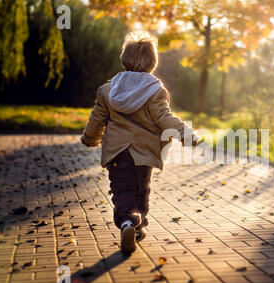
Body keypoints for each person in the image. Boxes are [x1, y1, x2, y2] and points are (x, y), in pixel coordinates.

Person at [80, 31, 199, 254]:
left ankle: (128, 223)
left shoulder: (108, 90)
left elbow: (98, 117)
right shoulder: (155, 91)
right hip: (144, 154)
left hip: (117, 153)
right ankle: (135, 223)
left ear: (124, 60)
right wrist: (186, 134)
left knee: (122, 190)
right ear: (152, 64)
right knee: (141, 190)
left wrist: (90, 138)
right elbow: (164, 119)